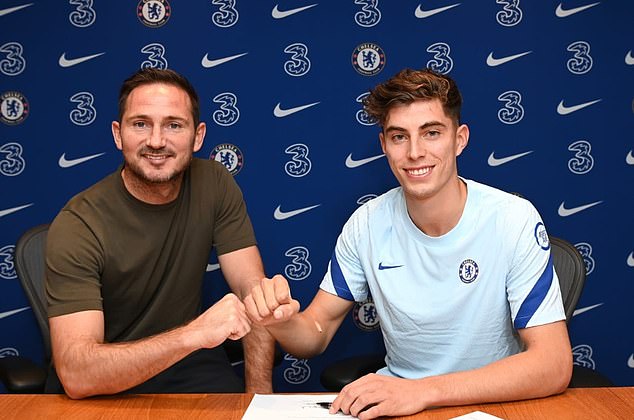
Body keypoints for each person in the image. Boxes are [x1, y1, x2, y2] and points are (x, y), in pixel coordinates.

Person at [244, 68, 572, 419]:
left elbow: (552, 363)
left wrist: (423, 391)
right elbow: (315, 333)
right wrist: (280, 321)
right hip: (399, 408)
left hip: (491, 405)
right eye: (399, 137)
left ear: (459, 139)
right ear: (384, 145)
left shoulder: (512, 219)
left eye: (431, 133)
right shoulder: (366, 224)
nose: (415, 152)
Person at [45, 68, 274, 399]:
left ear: (198, 136)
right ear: (118, 134)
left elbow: (253, 294)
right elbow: (78, 373)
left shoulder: (214, 183)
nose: (156, 141)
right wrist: (193, 334)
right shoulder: (79, 224)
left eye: (173, 125)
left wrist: (260, 402)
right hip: (105, 380)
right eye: (140, 124)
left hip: (191, 369)